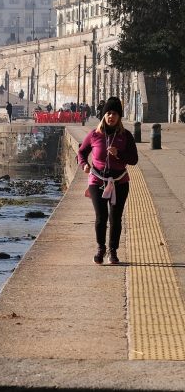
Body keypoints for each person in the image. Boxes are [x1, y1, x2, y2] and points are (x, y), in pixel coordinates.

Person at [77, 96, 139, 265]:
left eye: (115, 114)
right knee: (101, 216)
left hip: (119, 181)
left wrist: (119, 153)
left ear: (119, 117)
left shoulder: (125, 136)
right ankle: (100, 249)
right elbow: (81, 152)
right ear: (104, 115)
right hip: (97, 181)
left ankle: (113, 251)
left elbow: (134, 159)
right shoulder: (95, 135)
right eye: (108, 113)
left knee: (115, 217)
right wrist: (84, 165)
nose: (111, 116)